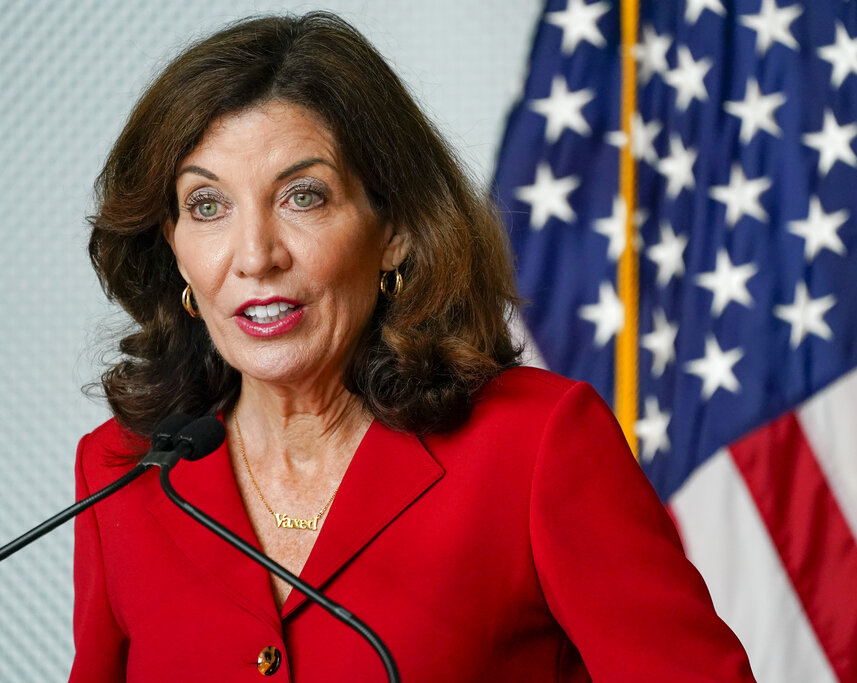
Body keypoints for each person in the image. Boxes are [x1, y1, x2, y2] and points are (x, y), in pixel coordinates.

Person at [72, 11, 755, 682]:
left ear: (395, 231)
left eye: (303, 197)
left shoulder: (536, 445)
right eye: (207, 205)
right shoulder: (121, 474)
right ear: (173, 245)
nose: (255, 256)